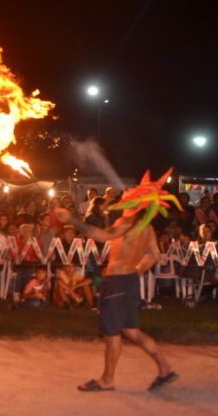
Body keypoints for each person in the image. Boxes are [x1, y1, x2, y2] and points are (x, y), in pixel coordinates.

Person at [54, 168, 178, 392]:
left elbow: (102, 235)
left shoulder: (128, 222)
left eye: (131, 193)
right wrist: (137, 271)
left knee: (112, 334)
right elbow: (154, 255)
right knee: (131, 331)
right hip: (129, 281)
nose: (126, 193)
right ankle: (165, 368)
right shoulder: (147, 228)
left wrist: (71, 220)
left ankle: (107, 379)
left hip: (118, 281)